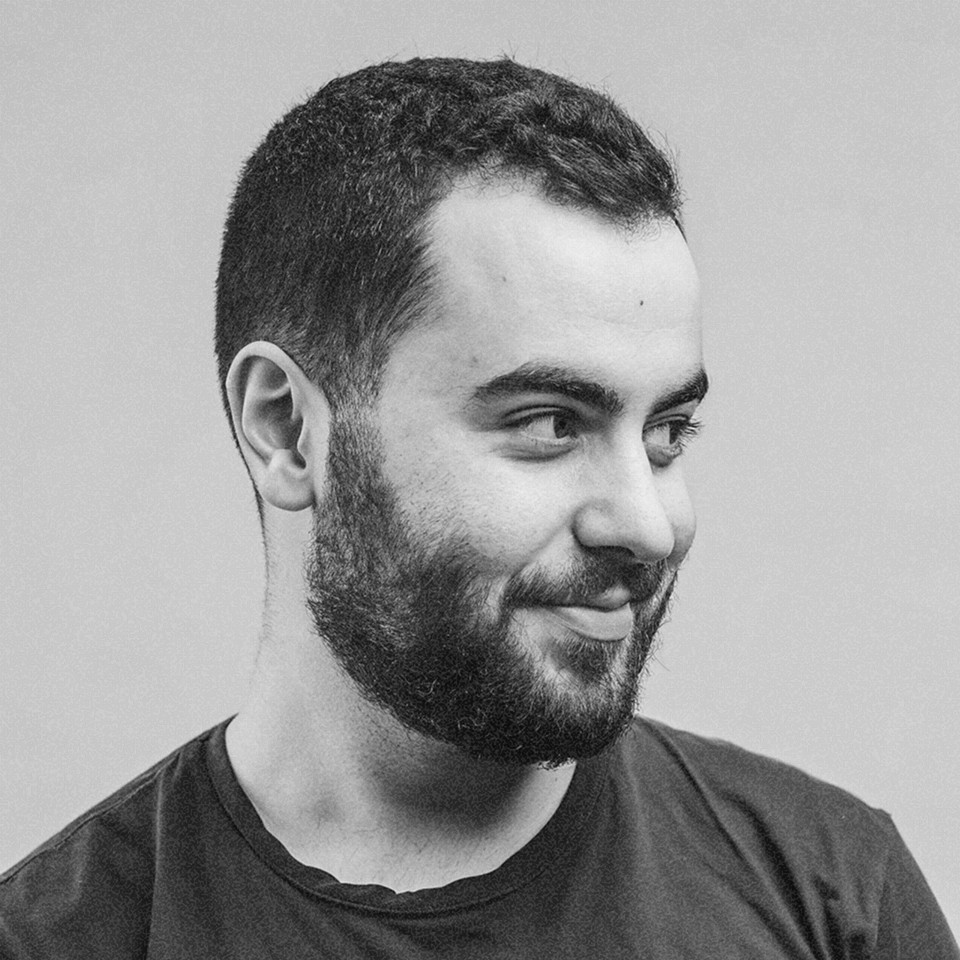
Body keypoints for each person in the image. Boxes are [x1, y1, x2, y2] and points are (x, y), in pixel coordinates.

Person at [0, 56, 955, 959]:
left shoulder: (833, 897)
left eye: (667, 434)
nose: (647, 524)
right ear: (287, 429)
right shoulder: (62, 938)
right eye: (549, 423)